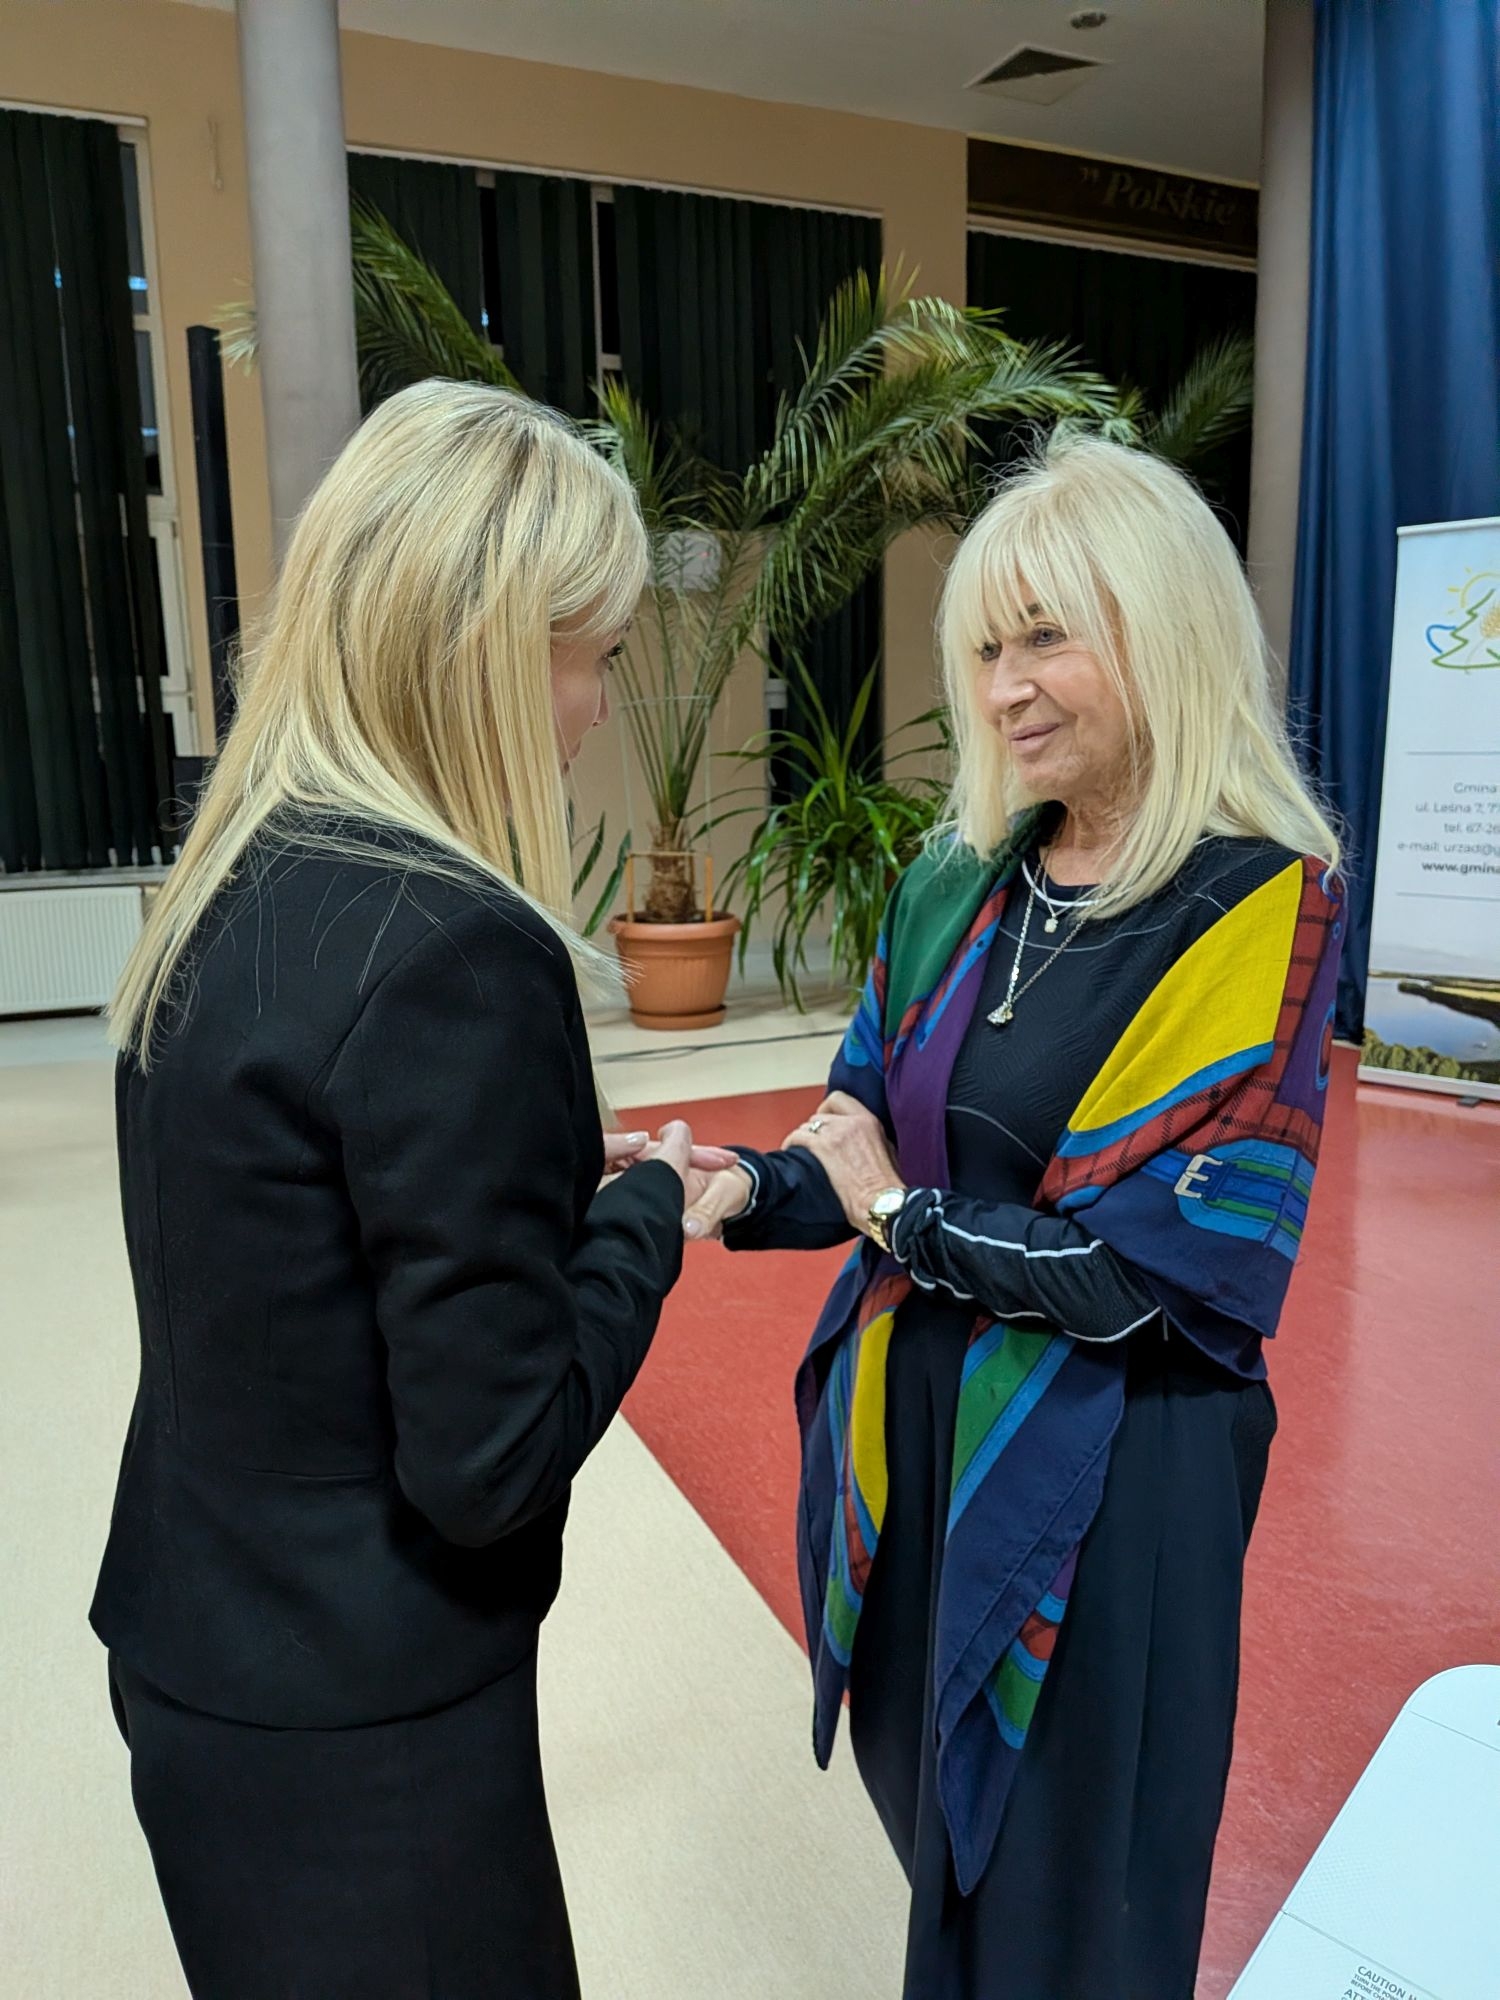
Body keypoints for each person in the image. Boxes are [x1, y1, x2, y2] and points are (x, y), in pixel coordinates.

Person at [685, 435, 1345, 1999]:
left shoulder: (1263, 901)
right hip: (924, 1456)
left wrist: (895, 1214)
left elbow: (1152, 1279)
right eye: (986, 648)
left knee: (1073, 1906)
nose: (1005, 690)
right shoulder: (956, 885)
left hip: (1107, 1487)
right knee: (948, 1845)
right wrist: (743, 1186)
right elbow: (858, 1132)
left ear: (1166, 632)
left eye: (1048, 637)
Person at [93, 381, 729, 2000]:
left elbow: (307, 1250)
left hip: (199, 1646)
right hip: (364, 1726)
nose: (595, 710)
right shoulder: (459, 950)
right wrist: (642, 1223)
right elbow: (490, 1460)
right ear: (491, 655)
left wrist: (525, 1195)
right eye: (591, 656)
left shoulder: (230, 885)